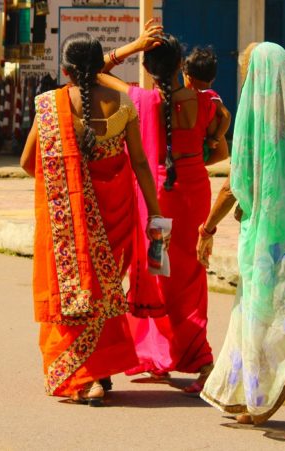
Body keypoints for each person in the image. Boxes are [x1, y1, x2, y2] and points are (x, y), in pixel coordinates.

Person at [197, 42, 285, 443]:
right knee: (258, 320)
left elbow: (232, 187)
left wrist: (206, 229)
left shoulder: (255, 129)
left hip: (265, 249)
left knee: (283, 329)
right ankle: (251, 401)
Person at [20, 33, 164, 406]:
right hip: (116, 213)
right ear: (100, 65)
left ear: (65, 70)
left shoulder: (51, 105)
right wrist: (157, 211)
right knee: (105, 292)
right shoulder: (124, 105)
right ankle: (102, 370)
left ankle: (88, 379)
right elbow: (141, 165)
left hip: (72, 219)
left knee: (78, 292)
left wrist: (62, 183)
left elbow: (25, 162)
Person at [99, 26, 229, 393]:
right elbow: (219, 142)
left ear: (150, 68)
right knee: (190, 274)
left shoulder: (143, 100)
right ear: (181, 66)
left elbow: (94, 70)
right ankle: (196, 359)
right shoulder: (207, 101)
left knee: (158, 271)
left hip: (158, 197)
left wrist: (133, 46)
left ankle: (163, 355)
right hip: (195, 190)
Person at [182, 47, 232, 162]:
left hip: (204, 147)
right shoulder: (204, 95)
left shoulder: (209, 96)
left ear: (189, 77)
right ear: (213, 79)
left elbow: (227, 115)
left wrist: (215, 138)